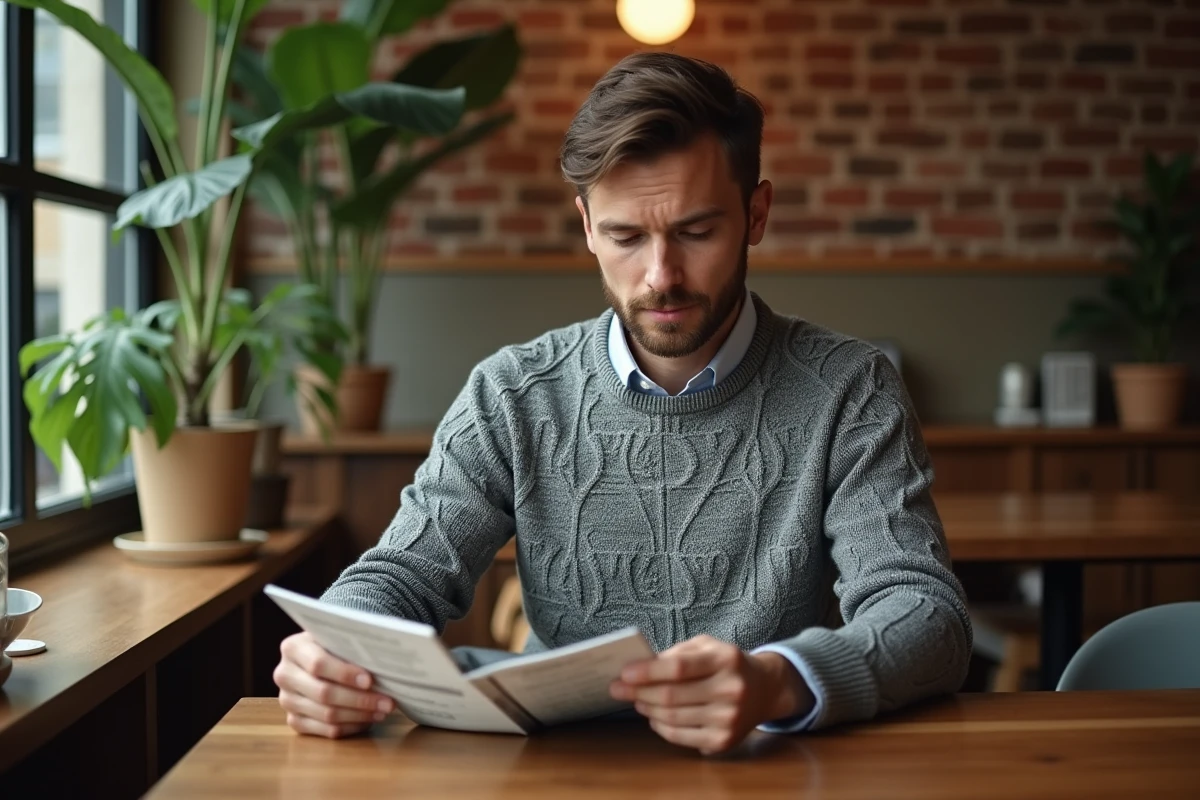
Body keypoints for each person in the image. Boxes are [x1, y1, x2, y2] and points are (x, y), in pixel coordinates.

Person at [274, 52, 972, 755]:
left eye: (696, 232)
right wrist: (333, 650)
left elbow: (925, 613)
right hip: (557, 769)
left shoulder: (850, 387)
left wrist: (778, 681)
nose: (661, 275)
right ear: (586, 225)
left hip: (768, 767)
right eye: (626, 237)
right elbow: (401, 574)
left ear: (756, 214)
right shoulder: (512, 393)